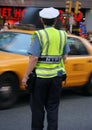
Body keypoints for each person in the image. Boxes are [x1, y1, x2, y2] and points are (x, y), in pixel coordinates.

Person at [22, 7, 70, 130]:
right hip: (57, 78)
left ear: (42, 20)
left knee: (38, 109)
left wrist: (26, 76)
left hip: (40, 79)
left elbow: (33, 58)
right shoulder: (63, 35)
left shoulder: (39, 35)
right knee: (53, 108)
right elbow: (64, 57)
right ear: (55, 21)